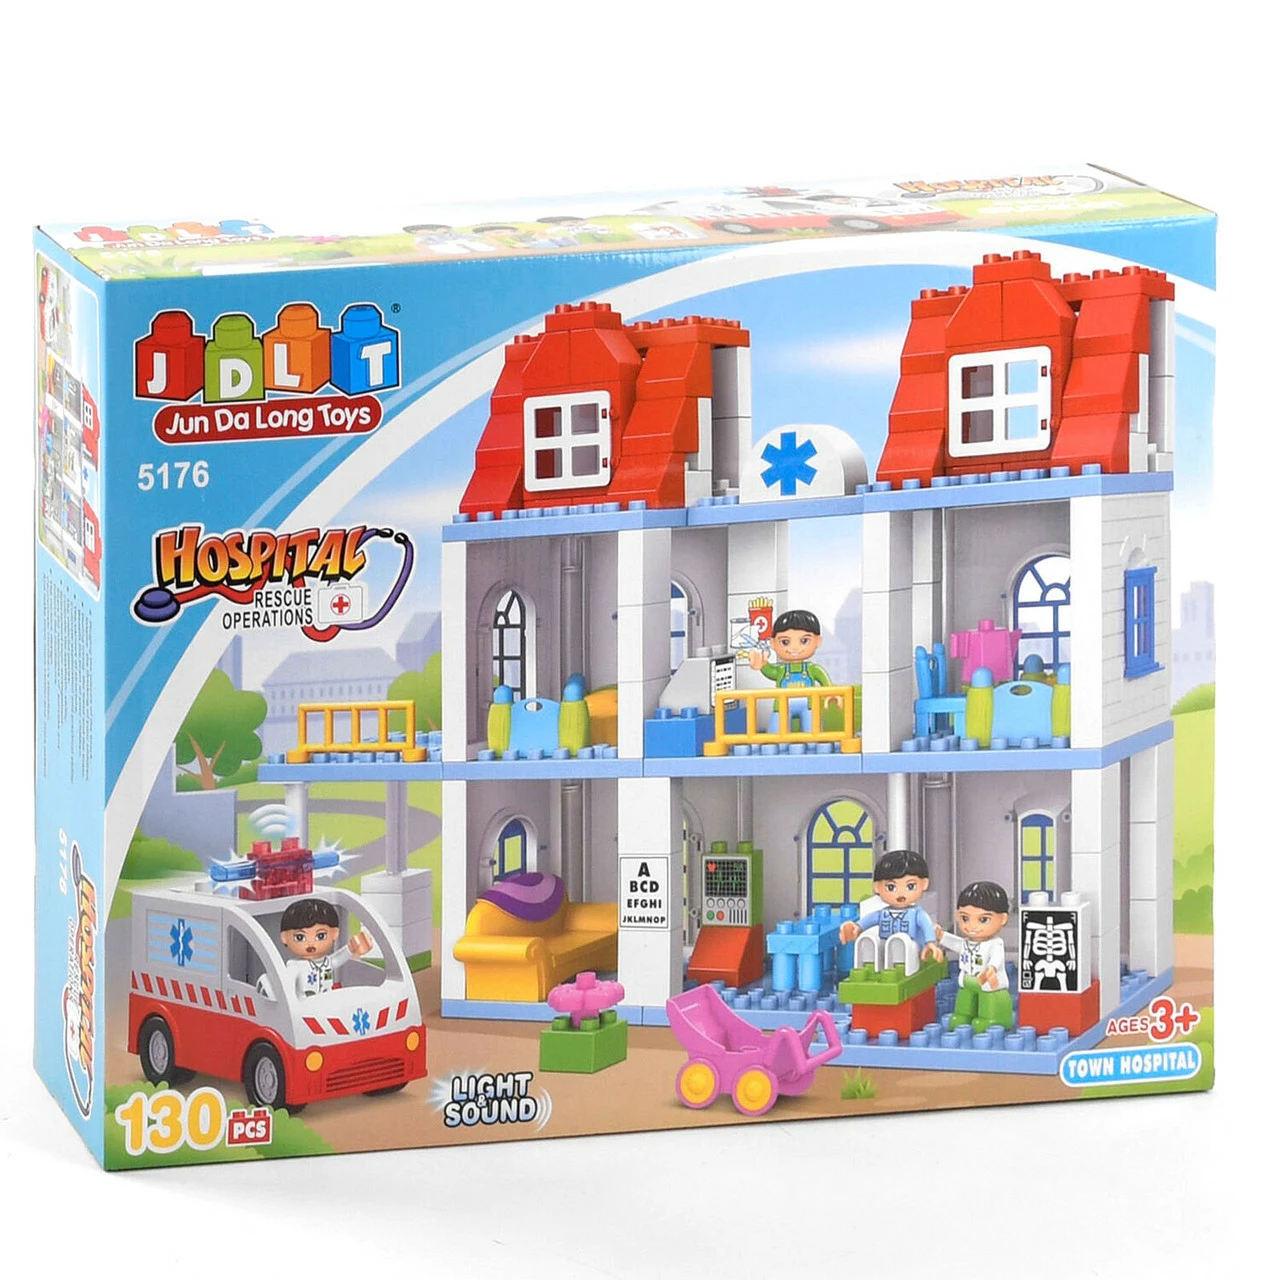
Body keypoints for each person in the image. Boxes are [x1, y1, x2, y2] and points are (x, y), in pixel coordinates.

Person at [934, 881, 1014, 1033]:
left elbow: (996, 958)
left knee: (988, 1000)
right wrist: (941, 936)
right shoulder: (966, 943)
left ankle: (989, 1019)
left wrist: (991, 968)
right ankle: (963, 1016)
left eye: (983, 919)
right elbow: (956, 943)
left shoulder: (995, 944)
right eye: (965, 918)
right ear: (958, 915)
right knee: (965, 998)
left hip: (986, 982)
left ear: (1003, 919)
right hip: (967, 980)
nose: (972, 926)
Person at [838, 850, 944, 962]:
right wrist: (857, 927)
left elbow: (926, 926)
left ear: (924, 884)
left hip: (912, 950)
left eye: (910, 886)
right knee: (877, 945)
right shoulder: (883, 914)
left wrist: (930, 943)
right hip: (887, 950)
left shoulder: (917, 914)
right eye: (891, 887)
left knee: (911, 947)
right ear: (877, 887)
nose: (900, 893)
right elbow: (868, 921)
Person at [748, 608, 831, 734]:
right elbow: (771, 672)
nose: (795, 648)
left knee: (813, 735)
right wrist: (763, 665)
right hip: (783, 705)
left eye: (804, 641)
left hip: (809, 706)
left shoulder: (812, 669)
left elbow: (826, 683)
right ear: (773, 643)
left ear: (818, 641)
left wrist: (831, 694)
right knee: (777, 736)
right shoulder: (781, 670)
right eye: (785, 642)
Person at [276, 898, 372, 999]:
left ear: (335, 934)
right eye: (300, 937)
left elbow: (337, 959)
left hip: (327, 1002)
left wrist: (351, 948)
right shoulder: (296, 966)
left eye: (320, 936)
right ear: (284, 938)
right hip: (305, 1005)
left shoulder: (326, 963)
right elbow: (286, 984)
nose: (311, 943)